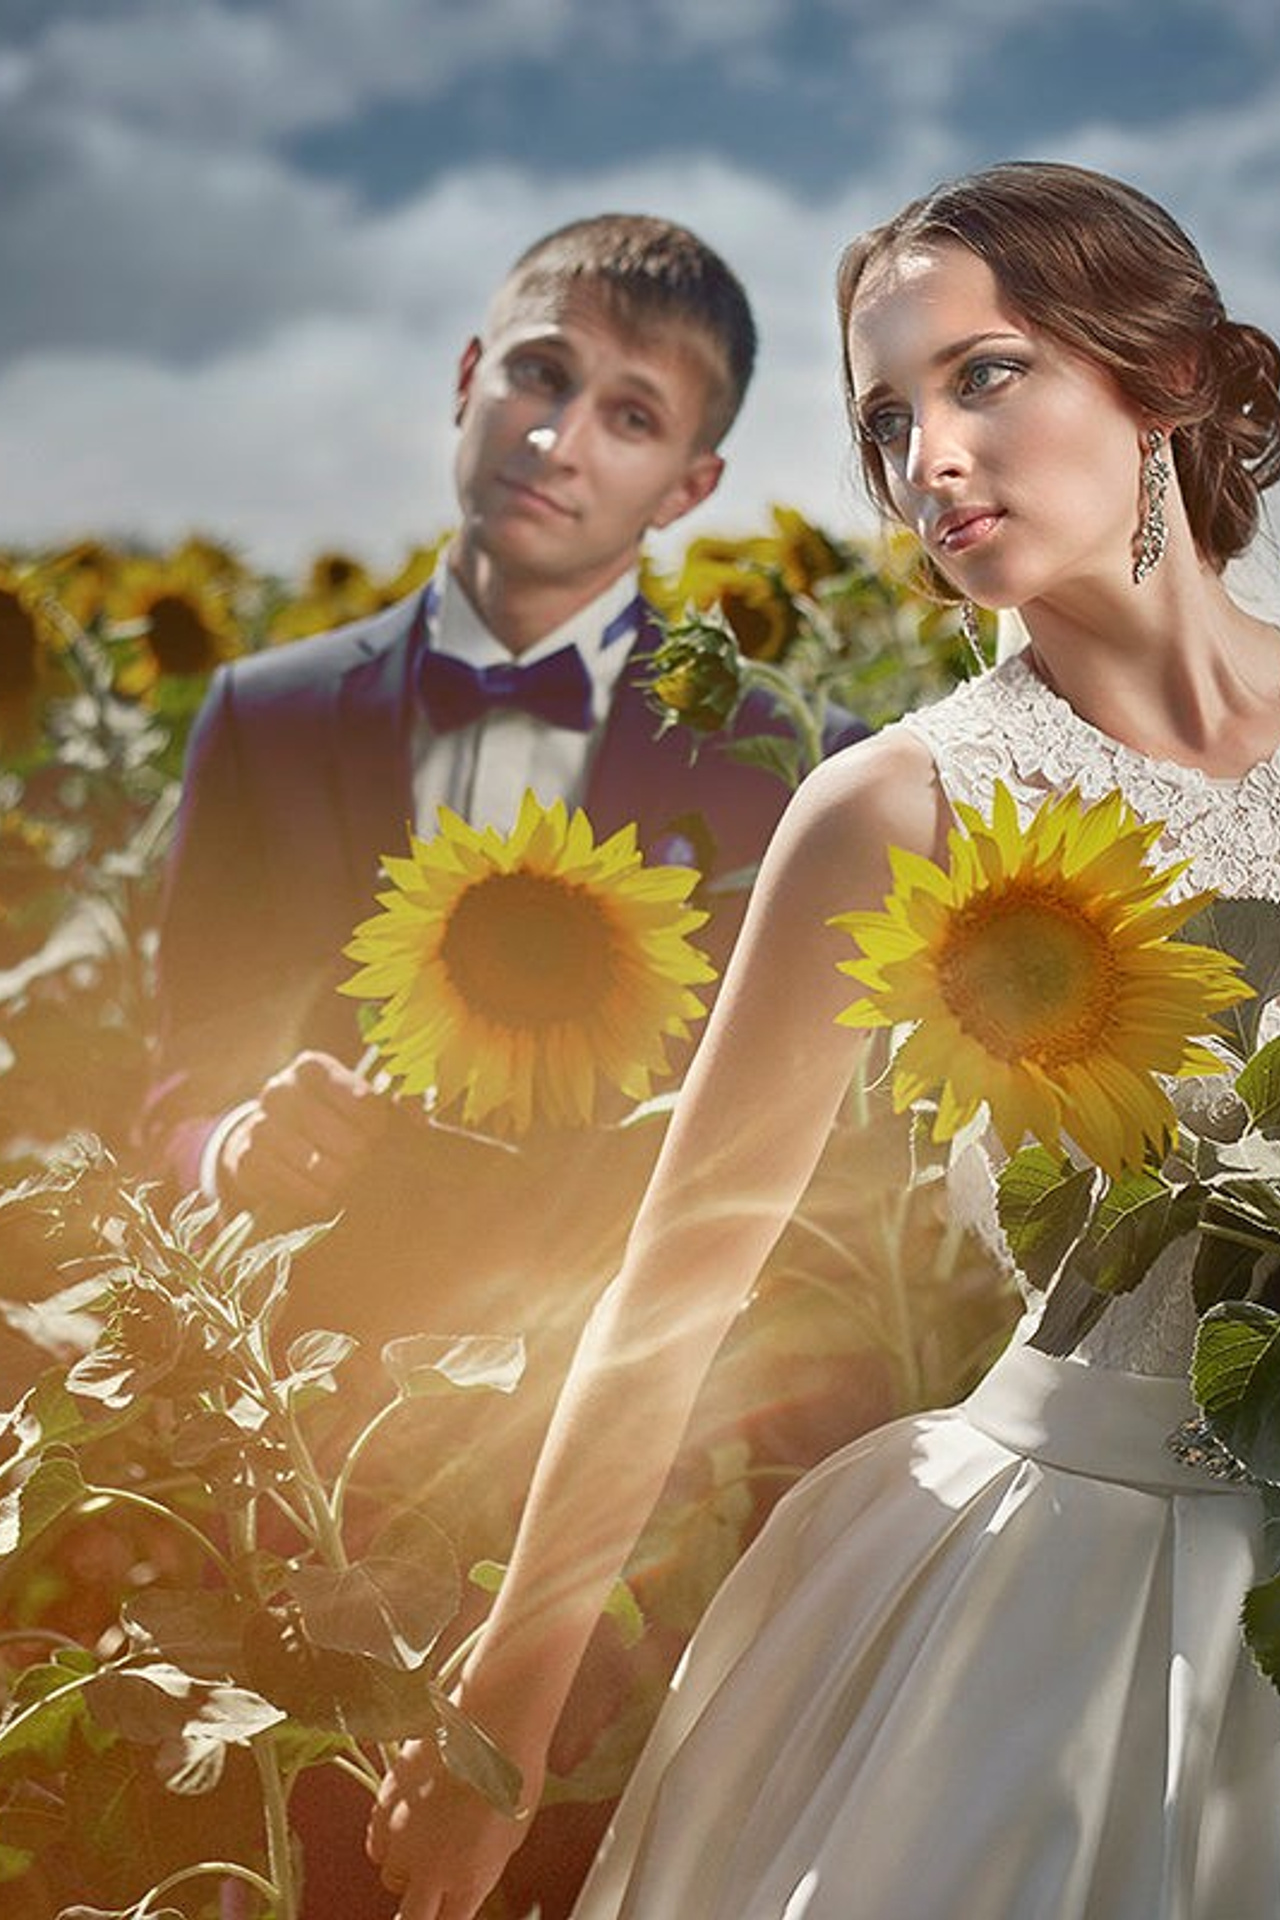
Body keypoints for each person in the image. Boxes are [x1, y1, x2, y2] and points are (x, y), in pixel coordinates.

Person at [366, 161, 1280, 1919]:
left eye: (985, 376)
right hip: (1052, 1629)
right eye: (887, 416)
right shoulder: (901, 808)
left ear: (1163, 382)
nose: (929, 457)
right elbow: (681, 1282)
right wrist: (513, 1702)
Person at [143, 214, 868, 1918]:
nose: (559, 436)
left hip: (655, 1481)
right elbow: (167, 1077)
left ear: (692, 484)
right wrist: (230, 1150)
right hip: (327, 1440)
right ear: (471, 379)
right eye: (540, 376)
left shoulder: (790, 758)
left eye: (630, 413)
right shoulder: (267, 712)